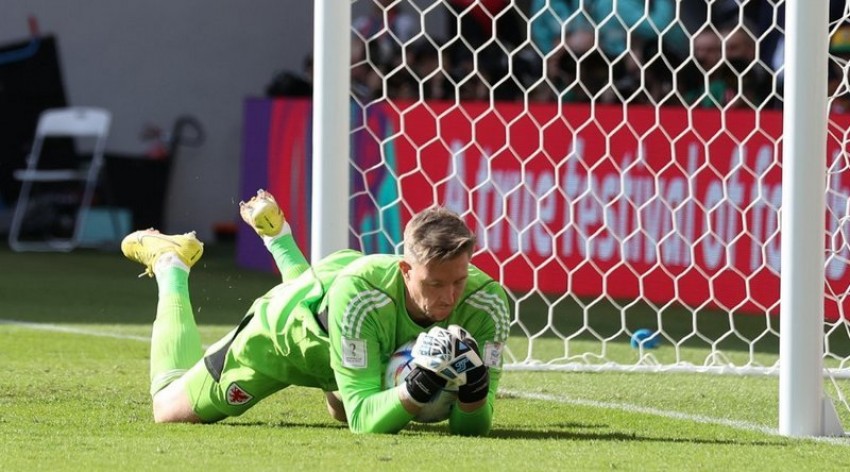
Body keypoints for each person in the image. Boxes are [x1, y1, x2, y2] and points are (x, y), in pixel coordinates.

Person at [121, 189, 509, 436]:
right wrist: (416, 389)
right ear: (405, 269)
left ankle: (278, 237)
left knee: (339, 407)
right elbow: (364, 422)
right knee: (167, 409)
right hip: (291, 339)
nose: (449, 297)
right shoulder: (361, 296)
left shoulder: (487, 303)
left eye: (458, 281)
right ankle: (172, 263)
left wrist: (475, 391)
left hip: (348, 317)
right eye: (434, 285)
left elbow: (474, 425)